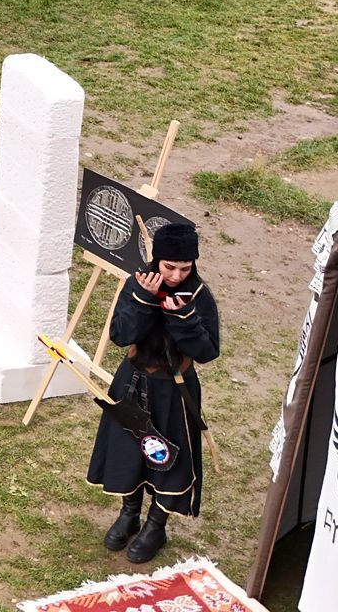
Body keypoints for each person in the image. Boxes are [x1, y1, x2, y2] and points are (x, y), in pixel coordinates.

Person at [88, 220, 220, 564]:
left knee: (168, 458)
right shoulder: (137, 284)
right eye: (169, 266)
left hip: (174, 390)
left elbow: (207, 352)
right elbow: (121, 335)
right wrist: (144, 300)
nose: (176, 276)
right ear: (156, 260)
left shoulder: (199, 296)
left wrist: (184, 318)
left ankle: (156, 526)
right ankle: (129, 514)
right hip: (132, 382)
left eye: (185, 268)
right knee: (130, 451)